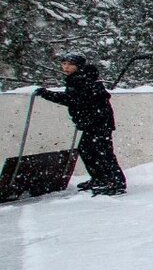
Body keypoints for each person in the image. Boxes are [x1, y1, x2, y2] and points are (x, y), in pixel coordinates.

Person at [36, 53, 127, 196]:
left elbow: (73, 99)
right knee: (87, 150)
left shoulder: (82, 79)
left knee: (102, 152)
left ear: (78, 66)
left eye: (69, 64)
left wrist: (47, 94)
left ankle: (116, 182)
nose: (65, 67)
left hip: (98, 122)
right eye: (64, 63)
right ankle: (100, 178)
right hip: (94, 121)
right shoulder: (78, 78)